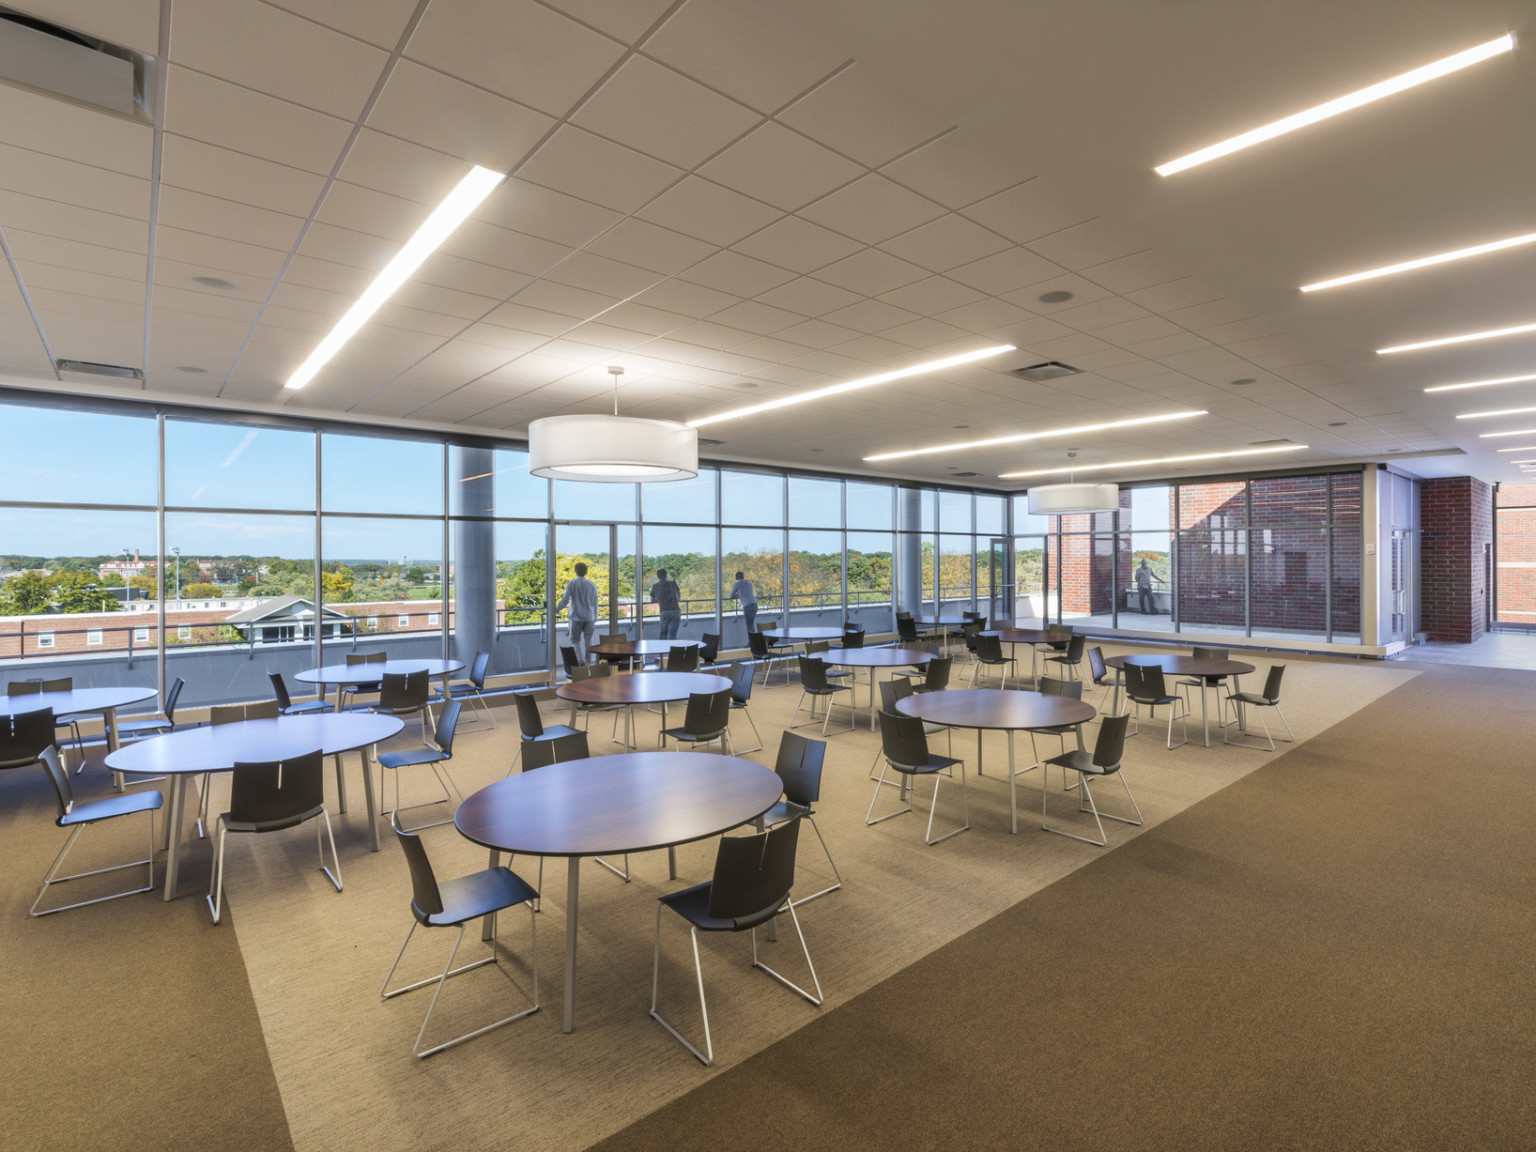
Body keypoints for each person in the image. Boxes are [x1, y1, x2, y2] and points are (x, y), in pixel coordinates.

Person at [556, 561, 598, 663]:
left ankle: (580, 662)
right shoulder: (592, 585)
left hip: (576, 617)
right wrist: (595, 616)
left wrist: (556, 609)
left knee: (575, 640)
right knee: (589, 642)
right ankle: (588, 664)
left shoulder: (571, 583)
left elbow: (565, 600)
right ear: (586, 571)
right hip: (589, 617)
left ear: (575, 571)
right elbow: (595, 602)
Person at [650, 567, 682, 640]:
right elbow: (678, 593)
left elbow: (652, 599)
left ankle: (662, 649)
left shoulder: (655, 586)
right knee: (672, 634)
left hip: (664, 611)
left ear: (658, 576)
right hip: (675, 610)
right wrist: (677, 600)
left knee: (663, 633)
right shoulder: (673, 583)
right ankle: (673, 650)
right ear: (666, 575)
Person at [728, 569, 757, 633]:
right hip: (754, 604)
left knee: (749, 626)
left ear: (736, 577)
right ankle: (754, 641)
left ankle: (753, 641)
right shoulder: (748, 582)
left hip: (747, 605)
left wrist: (737, 595)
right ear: (743, 576)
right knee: (751, 624)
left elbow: (731, 596)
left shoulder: (737, 583)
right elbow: (746, 592)